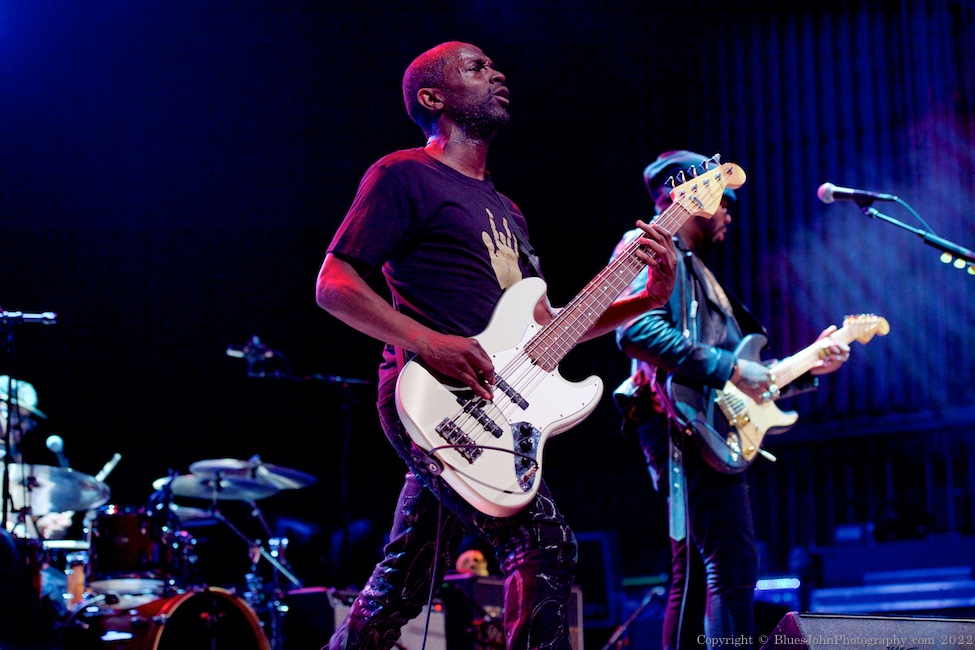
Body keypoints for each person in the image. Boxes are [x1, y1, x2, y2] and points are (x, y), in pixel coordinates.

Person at [315, 41, 678, 650]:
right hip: (430, 396)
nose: (497, 73)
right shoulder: (403, 173)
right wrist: (430, 342)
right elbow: (334, 283)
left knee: (400, 587)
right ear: (433, 97)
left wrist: (644, 300)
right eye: (476, 68)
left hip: (490, 404)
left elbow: (546, 332)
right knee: (544, 543)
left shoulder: (506, 208)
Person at [610, 150, 853, 650]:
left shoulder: (698, 271)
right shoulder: (651, 246)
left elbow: (737, 375)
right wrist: (732, 367)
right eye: (726, 200)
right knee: (729, 565)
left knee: (706, 572)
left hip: (704, 424)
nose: (729, 214)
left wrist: (808, 367)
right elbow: (634, 330)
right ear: (694, 195)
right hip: (680, 423)